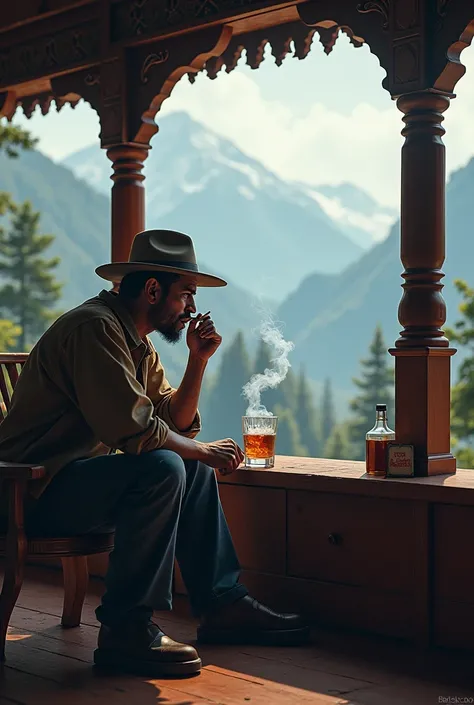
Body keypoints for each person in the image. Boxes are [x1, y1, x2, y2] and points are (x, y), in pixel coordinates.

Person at [0, 229, 309, 677]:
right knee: (168, 464)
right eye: (185, 295)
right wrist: (200, 449)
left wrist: (198, 361)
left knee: (187, 464)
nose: (190, 308)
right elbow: (138, 430)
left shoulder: (136, 342)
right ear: (151, 290)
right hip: (25, 492)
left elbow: (174, 421)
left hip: (69, 485)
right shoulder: (95, 329)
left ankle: (221, 604)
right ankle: (125, 628)